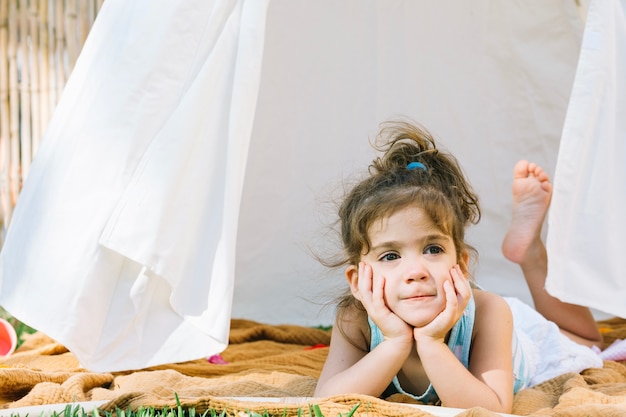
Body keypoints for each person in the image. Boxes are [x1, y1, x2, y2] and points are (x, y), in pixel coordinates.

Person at [313, 120, 603, 414]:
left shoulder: (490, 312)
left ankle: (531, 254)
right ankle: (526, 251)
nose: (416, 271)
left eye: (433, 249)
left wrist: (431, 343)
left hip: (513, 336)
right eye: (390, 256)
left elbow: (495, 408)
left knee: (589, 343)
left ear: (462, 264)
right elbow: (325, 400)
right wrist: (394, 341)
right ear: (357, 279)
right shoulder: (355, 317)